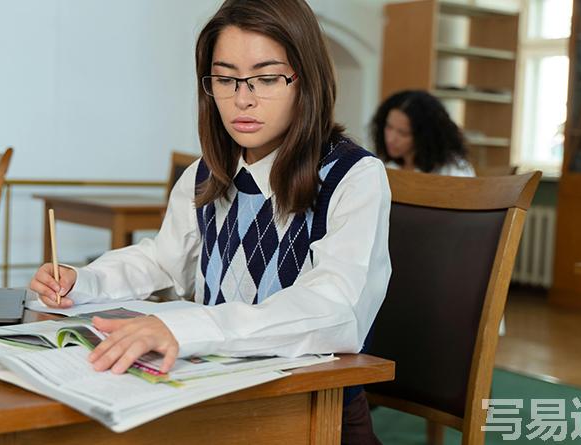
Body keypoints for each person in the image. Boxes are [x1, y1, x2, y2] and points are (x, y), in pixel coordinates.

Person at [30, 0, 390, 441]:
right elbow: (164, 263)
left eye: (267, 77)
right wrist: (82, 282)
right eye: (225, 78)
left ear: (305, 80)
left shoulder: (354, 177)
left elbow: (333, 310)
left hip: (312, 407)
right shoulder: (206, 173)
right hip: (215, 390)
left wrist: (185, 328)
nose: (243, 98)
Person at [372, 89, 475, 177]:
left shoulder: (452, 171)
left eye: (403, 133)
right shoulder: (385, 164)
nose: (390, 139)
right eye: (389, 127)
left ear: (424, 137)